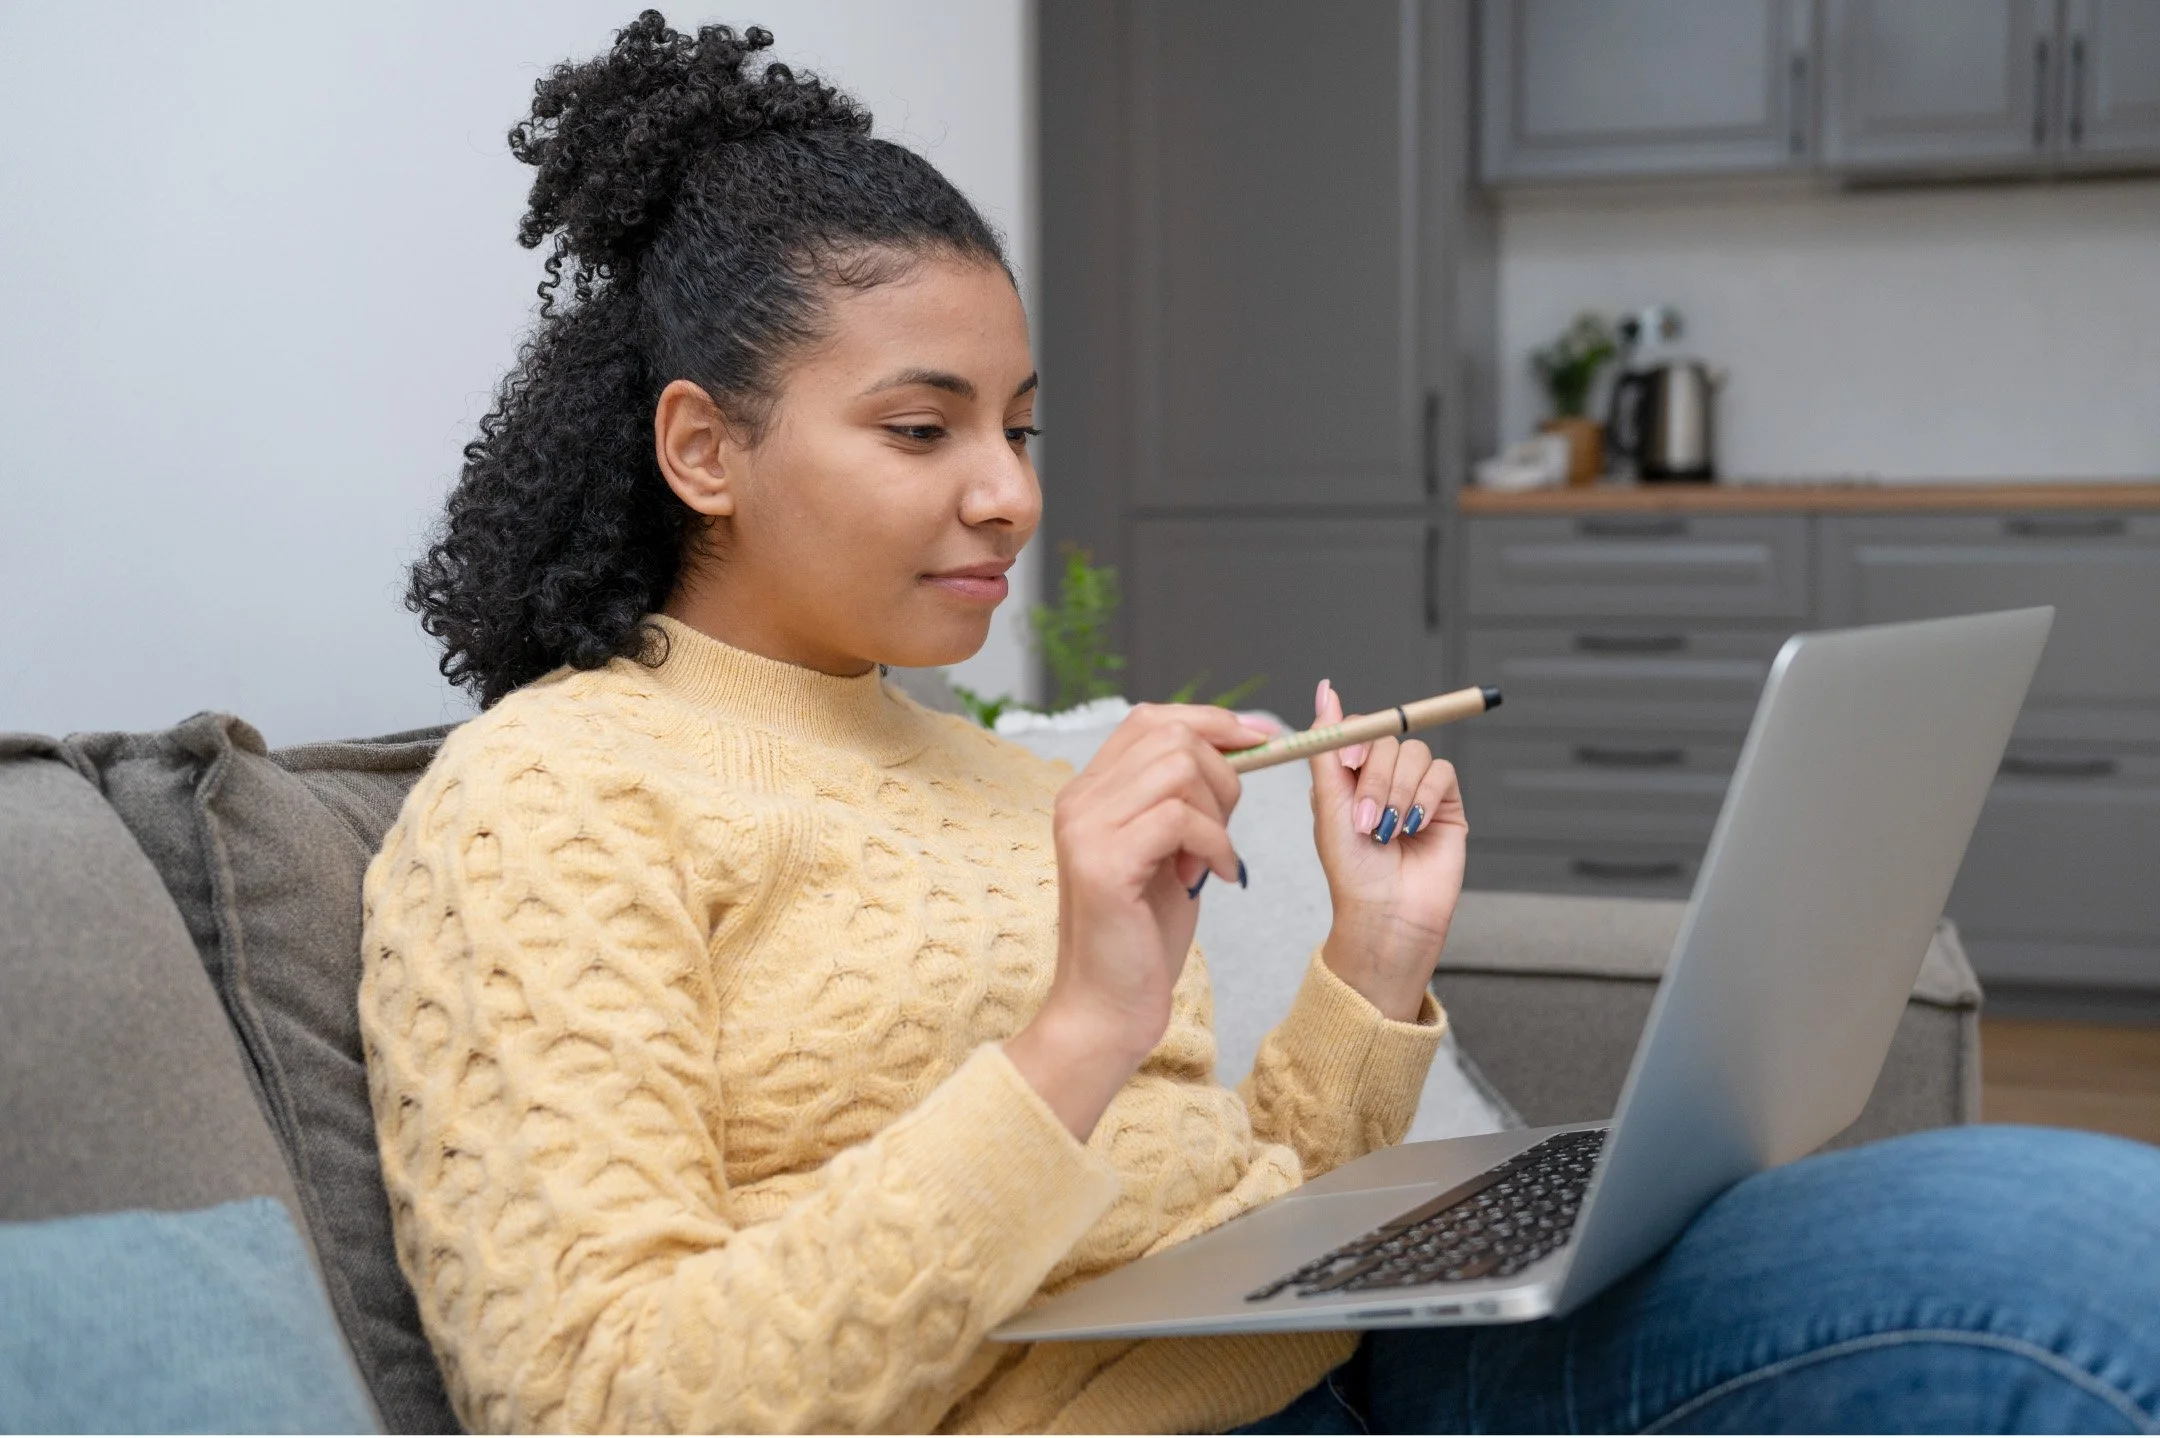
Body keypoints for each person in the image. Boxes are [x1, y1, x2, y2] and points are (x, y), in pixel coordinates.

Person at [361, 14, 2160, 1434]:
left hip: (1355, 1363)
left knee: (2068, 1229)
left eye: (1023, 427)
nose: (1008, 495)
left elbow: (1252, 1215)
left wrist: (1369, 970)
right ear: (703, 450)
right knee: (2062, 1303)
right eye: (925, 430)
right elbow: (594, 1400)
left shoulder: (994, 769)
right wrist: (1072, 1030)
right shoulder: (547, 798)